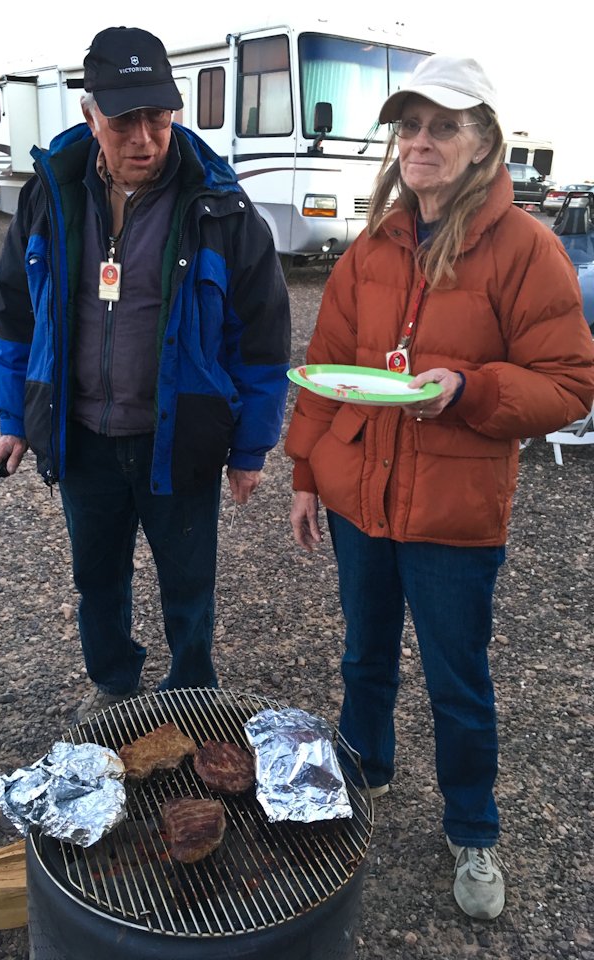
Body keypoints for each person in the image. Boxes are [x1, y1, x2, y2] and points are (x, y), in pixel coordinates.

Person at [285, 54, 594, 920]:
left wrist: (471, 388)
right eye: (409, 125)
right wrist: (305, 472)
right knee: (363, 656)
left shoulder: (526, 249)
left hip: (455, 513)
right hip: (360, 499)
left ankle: (473, 830)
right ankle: (366, 773)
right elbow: (326, 367)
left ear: (483, 141)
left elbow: (571, 382)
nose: (420, 142)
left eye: (443, 126)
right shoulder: (372, 246)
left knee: (458, 681)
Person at [0, 26, 291, 721]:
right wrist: (13, 419)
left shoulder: (221, 207)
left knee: (188, 581)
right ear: (90, 114)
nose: (145, 138)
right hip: (83, 434)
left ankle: (190, 691)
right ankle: (115, 681)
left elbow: (263, 337)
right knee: (97, 578)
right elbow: (14, 313)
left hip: (179, 434)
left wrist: (250, 447)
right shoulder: (50, 197)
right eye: (124, 120)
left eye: (158, 116)